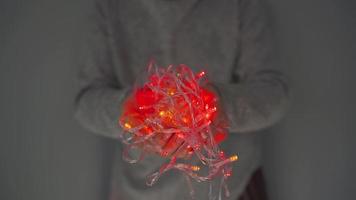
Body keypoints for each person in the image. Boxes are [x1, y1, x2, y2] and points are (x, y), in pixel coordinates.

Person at [74, 0, 289, 199]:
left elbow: (274, 93)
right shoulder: (110, 6)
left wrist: (218, 106)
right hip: (137, 191)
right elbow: (86, 101)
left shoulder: (240, 4)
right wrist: (132, 115)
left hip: (232, 187)